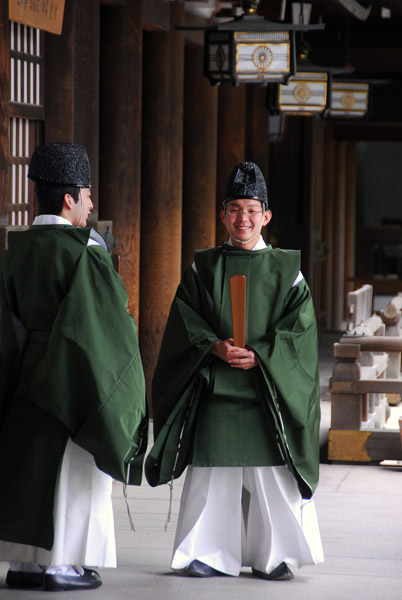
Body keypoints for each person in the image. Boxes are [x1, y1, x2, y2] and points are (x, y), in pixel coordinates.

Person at [145, 161, 324, 580]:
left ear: (266, 216)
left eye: (251, 210)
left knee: (271, 475)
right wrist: (213, 345)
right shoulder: (202, 267)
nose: (243, 219)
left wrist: (261, 354)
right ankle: (207, 552)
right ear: (223, 214)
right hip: (217, 383)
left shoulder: (287, 270)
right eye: (234, 209)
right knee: (213, 472)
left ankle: (274, 554)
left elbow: (300, 331)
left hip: (267, 387)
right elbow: (185, 320)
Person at [0, 142, 148, 591]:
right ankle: (62, 565)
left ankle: (25, 566)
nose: (90, 205)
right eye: (86, 195)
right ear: (69, 199)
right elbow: (105, 325)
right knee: (72, 472)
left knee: (30, 472)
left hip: (24, 378)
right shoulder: (86, 250)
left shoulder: (15, 251)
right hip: (73, 378)